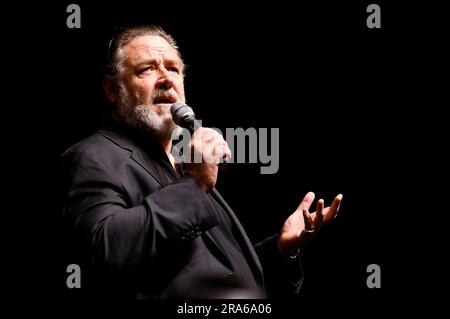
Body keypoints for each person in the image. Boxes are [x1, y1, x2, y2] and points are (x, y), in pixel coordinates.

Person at [59, 25, 342, 299]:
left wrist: (283, 249)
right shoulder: (92, 155)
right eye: (147, 69)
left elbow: (222, 278)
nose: (166, 78)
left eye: (173, 69)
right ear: (112, 88)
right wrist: (194, 185)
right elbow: (104, 251)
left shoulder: (184, 165)